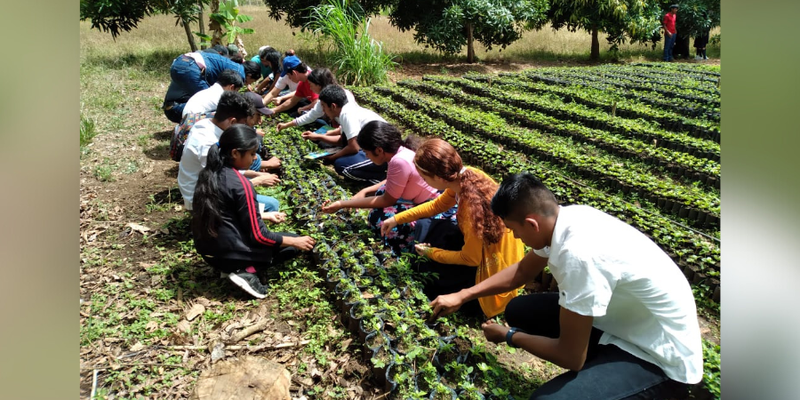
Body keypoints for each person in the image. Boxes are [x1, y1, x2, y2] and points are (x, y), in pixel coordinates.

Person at [430, 172, 703, 399]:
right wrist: (462, 295)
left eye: (514, 229)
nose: (514, 235)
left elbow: (572, 357)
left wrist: (509, 336)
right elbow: (522, 272)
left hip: (658, 358)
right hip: (622, 321)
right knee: (519, 309)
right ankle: (603, 368)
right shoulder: (565, 219)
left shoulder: (579, 255)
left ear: (531, 223)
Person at [381, 139, 524, 318]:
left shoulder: (472, 209)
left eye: (425, 178)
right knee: (426, 224)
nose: (424, 181)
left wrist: (431, 252)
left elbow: (470, 259)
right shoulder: (466, 176)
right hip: (491, 254)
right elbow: (437, 206)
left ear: (439, 178)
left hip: (488, 277)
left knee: (427, 270)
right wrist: (396, 218)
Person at [192, 124, 315, 298]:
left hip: (207, 251)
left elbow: (225, 212)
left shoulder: (209, 173)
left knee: (284, 240)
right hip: (229, 255)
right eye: (251, 154)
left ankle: (232, 265)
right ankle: (246, 270)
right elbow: (259, 236)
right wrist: (295, 241)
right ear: (235, 153)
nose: (254, 158)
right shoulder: (241, 185)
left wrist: (264, 215)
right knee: (292, 244)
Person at [320, 121, 439, 253]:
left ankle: (406, 245)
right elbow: (391, 181)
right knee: (381, 191)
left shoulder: (398, 161)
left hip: (430, 209)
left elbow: (387, 200)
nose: (366, 156)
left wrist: (342, 204)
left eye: (366, 152)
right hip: (426, 199)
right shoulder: (402, 152)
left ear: (379, 150)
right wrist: (365, 191)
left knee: (378, 218)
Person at [178, 92, 281, 216]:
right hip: (202, 199)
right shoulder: (206, 144)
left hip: (208, 183)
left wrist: (253, 173)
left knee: (251, 162)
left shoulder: (206, 124)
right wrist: (257, 180)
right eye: (242, 124)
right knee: (271, 205)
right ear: (232, 122)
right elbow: (223, 186)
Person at [307, 85, 388, 184]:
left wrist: (332, 158)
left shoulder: (346, 114)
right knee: (336, 153)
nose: (323, 110)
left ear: (333, 106)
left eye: (323, 106)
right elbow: (342, 140)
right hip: (373, 148)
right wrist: (319, 137)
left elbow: (354, 147)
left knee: (341, 166)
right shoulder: (346, 109)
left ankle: (381, 179)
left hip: (381, 154)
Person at [163, 49, 261, 123]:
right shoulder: (240, 73)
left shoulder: (232, 65)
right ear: (249, 75)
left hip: (180, 62)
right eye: (251, 81)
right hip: (189, 67)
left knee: (203, 102)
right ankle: (191, 123)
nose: (248, 84)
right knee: (214, 105)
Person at [275, 68, 356, 136]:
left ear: (319, 85)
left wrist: (325, 135)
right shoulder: (324, 99)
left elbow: (350, 130)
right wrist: (286, 125)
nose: (310, 88)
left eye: (311, 85)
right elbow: (311, 115)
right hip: (342, 129)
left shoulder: (345, 98)